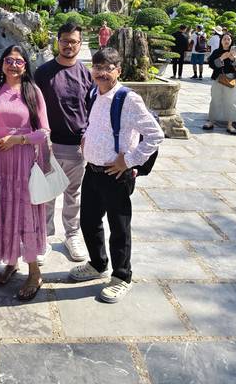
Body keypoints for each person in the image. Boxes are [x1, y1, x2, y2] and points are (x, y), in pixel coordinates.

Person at [69, 47, 164, 303]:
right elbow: (95, 123)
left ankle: (122, 276)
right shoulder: (93, 92)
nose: (101, 73)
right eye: (97, 68)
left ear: (118, 70)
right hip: (93, 169)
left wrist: (129, 160)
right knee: (89, 221)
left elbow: (156, 135)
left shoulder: (127, 99)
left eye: (107, 68)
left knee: (119, 227)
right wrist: (85, 139)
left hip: (116, 174)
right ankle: (98, 264)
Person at [0, 45, 50, 300]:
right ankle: (12, 261)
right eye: (9, 60)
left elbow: (44, 132)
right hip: (0, 164)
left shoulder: (32, 92)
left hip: (24, 163)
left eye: (19, 61)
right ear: (2, 64)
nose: (13, 65)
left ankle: (34, 272)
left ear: (26, 67)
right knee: (5, 212)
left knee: (25, 214)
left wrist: (18, 140)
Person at [34, 22, 92, 262]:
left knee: (73, 194)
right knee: (47, 194)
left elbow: (93, 108)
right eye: (65, 40)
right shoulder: (43, 72)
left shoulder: (86, 73)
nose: (69, 45)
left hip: (77, 145)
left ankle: (72, 234)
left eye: (74, 41)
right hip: (49, 144)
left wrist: (89, 134)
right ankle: (43, 238)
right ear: (57, 41)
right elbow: (33, 107)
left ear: (80, 44)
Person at [203, 33, 236, 135]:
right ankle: (211, 121)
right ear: (221, 41)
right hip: (219, 78)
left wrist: (233, 59)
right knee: (215, 99)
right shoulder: (217, 52)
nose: (226, 41)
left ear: (231, 41)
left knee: (231, 101)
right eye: (224, 39)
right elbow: (211, 64)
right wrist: (221, 58)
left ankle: (230, 125)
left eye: (228, 39)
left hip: (231, 79)